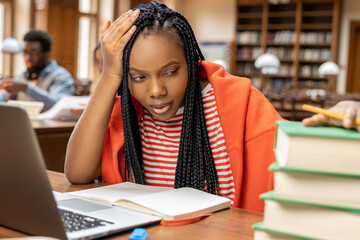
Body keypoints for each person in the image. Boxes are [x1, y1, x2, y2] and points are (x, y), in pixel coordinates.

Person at [65, 2, 360, 213]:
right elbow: (77, 173)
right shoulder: (127, 109)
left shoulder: (236, 101)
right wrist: (110, 75)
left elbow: (296, 157)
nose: (155, 91)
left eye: (170, 71)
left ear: (192, 64)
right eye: (138, 77)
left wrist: (346, 114)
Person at [0, 30, 74, 111]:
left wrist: (26, 87)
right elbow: (5, 99)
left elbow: (58, 107)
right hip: (21, 122)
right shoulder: (22, 76)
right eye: (25, 52)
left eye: (33, 52)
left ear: (46, 53)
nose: (27, 58)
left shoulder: (61, 76)